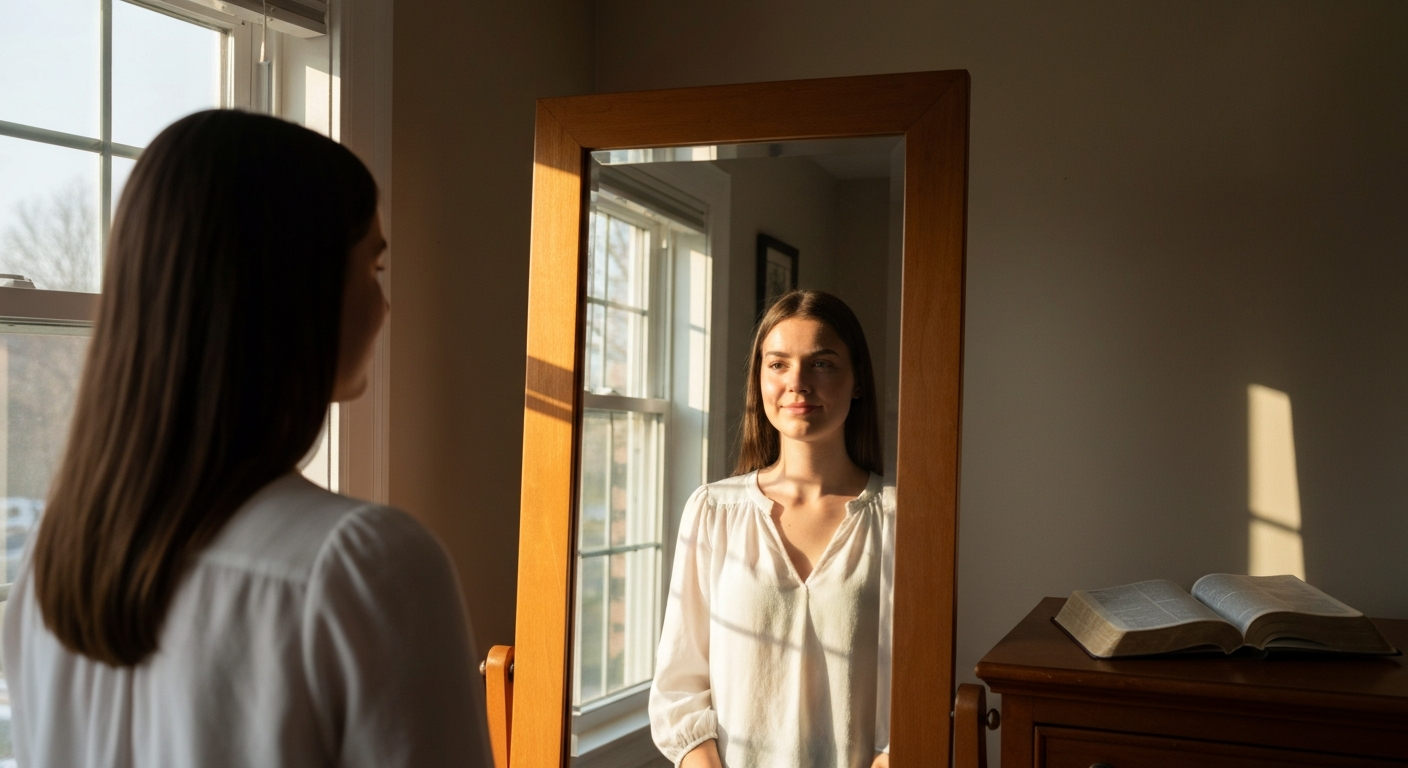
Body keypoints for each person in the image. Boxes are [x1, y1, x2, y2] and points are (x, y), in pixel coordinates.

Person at [1, 110, 490, 767]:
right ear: (296, 291)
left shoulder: (48, 563)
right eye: (372, 270)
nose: (384, 306)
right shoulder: (363, 567)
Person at [649, 290, 894, 768]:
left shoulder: (901, 519)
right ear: (759, 379)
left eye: (821, 364)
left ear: (857, 380)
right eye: (778, 364)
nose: (797, 383)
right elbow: (679, 686)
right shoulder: (713, 512)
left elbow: (917, 693)